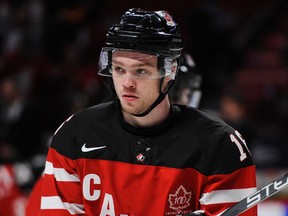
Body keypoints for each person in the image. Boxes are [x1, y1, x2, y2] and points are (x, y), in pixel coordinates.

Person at [38, 8, 257, 216]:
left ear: (170, 70)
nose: (127, 83)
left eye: (141, 71)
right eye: (119, 69)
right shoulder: (74, 135)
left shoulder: (220, 144)